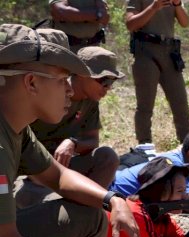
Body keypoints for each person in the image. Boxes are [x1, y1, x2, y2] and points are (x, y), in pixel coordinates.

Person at [0, 24, 140, 237]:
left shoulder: (15, 126)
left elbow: (58, 175)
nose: (69, 90)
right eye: (62, 79)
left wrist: (113, 201)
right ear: (31, 82)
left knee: (90, 217)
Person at [15, 46, 125, 209]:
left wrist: (72, 142)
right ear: (81, 74)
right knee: (52, 205)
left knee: (108, 156)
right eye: (104, 81)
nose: (107, 88)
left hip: (62, 168)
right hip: (30, 171)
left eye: (111, 82)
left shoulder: (90, 101)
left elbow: (93, 140)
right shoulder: (49, 93)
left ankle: (88, 208)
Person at [126, 0, 189, 144]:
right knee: (145, 106)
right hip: (146, 52)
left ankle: (188, 147)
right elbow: (131, 24)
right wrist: (154, 7)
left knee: (181, 104)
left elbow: (185, 22)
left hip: (169, 53)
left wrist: (178, 5)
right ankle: (144, 147)